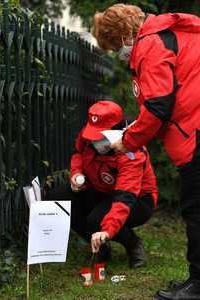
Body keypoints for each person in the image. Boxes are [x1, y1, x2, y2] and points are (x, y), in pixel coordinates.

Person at [93, 3, 200, 300]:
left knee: (196, 209)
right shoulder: (166, 34)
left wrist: (128, 141)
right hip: (194, 128)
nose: (118, 54)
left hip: (195, 133)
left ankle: (197, 285)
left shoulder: (150, 44)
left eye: (115, 46)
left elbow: (157, 107)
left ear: (125, 33)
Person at [47, 100, 158, 268]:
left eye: (100, 136)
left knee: (97, 220)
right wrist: (77, 174)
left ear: (116, 132)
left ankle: (133, 244)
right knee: (56, 198)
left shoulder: (131, 153)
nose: (94, 140)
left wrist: (108, 230)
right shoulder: (88, 135)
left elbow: (124, 198)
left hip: (137, 200)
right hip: (100, 189)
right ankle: (101, 247)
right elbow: (78, 152)